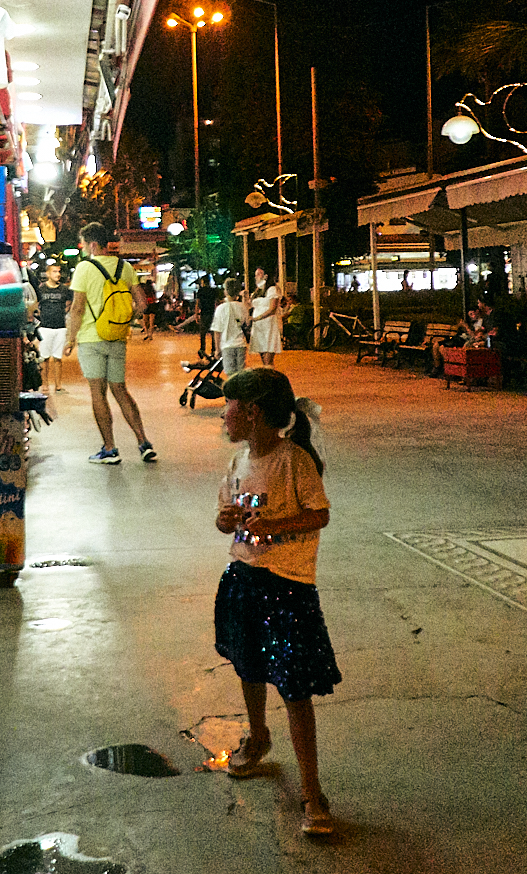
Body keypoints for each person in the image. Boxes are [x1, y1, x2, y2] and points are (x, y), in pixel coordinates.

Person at [212, 366, 339, 838]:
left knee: (295, 688)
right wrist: (226, 521)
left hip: (287, 585)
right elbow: (226, 520)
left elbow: (320, 513)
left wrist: (278, 528)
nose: (223, 415)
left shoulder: (293, 461)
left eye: (230, 406)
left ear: (254, 413)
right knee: (249, 666)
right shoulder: (239, 461)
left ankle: (312, 790)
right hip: (244, 577)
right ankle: (259, 736)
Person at [64, 222, 156, 464]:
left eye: (84, 245)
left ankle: (110, 448)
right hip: (117, 337)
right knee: (120, 389)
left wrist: (70, 339)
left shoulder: (84, 268)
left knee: (98, 392)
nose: (83, 249)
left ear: (93, 245)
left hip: (91, 338)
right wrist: (123, 320)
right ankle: (143, 442)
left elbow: (77, 308)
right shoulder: (125, 267)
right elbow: (143, 305)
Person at [37, 262, 73, 393]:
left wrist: (63, 312)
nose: (57, 274)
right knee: (44, 358)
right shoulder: (41, 289)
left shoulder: (64, 290)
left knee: (58, 358)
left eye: (59, 271)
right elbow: (36, 305)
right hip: (45, 327)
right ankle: (45, 385)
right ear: (47, 274)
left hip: (60, 327)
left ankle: (58, 385)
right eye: (54, 271)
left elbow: (69, 303)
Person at [248, 267, 288, 368]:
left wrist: (258, 318)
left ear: (266, 276)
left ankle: (270, 377)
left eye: (259, 274)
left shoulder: (272, 289)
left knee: (268, 358)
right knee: (262, 356)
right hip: (259, 326)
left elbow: (272, 309)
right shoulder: (257, 291)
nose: (256, 277)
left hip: (269, 325)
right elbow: (250, 306)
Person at [213, 277, 250, 376]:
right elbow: (247, 323)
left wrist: (217, 350)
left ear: (225, 291)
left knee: (230, 374)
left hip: (227, 345)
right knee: (240, 373)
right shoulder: (242, 307)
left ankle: (233, 391)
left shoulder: (220, 308)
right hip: (241, 344)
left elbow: (217, 331)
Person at [196, 279, 221, 358]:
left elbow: (197, 303)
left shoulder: (200, 291)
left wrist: (196, 314)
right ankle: (213, 350)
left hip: (204, 313)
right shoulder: (213, 291)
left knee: (203, 333)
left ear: (203, 282)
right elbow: (216, 302)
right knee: (213, 333)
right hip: (212, 313)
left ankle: (202, 349)